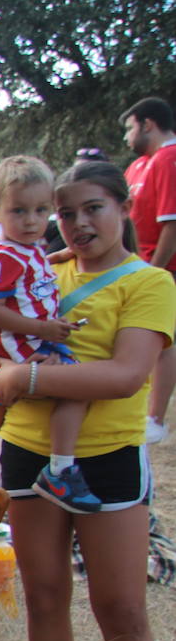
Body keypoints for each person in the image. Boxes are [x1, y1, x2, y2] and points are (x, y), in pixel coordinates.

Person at [0, 159, 175, 641]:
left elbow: (125, 375)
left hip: (107, 459)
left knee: (122, 613)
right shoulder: (37, 267)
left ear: (124, 209)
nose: (78, 223)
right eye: (66, 212)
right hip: (28, 454)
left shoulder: (149, 283)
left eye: (94, 208)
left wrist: (22, 379)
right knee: (44, 594)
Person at [0, 156, 96, 513]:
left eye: (41, 210)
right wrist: (43, 329)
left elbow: (36, 267)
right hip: (20, 347)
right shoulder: (2, 257)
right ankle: (60, 470)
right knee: (75, 392)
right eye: (19, 211)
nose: (31, 221)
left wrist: (62, 254)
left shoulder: (28, 249)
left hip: (25, 343)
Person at [121, 96, 176, 442]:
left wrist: (154, 274)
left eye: (130, 128)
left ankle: (155, 418)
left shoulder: (169, 158)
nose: (127, 137)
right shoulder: (139, 165)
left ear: (148, 124)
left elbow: (171, 223)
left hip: (160, 270)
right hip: (136, 267)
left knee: (162, 343)